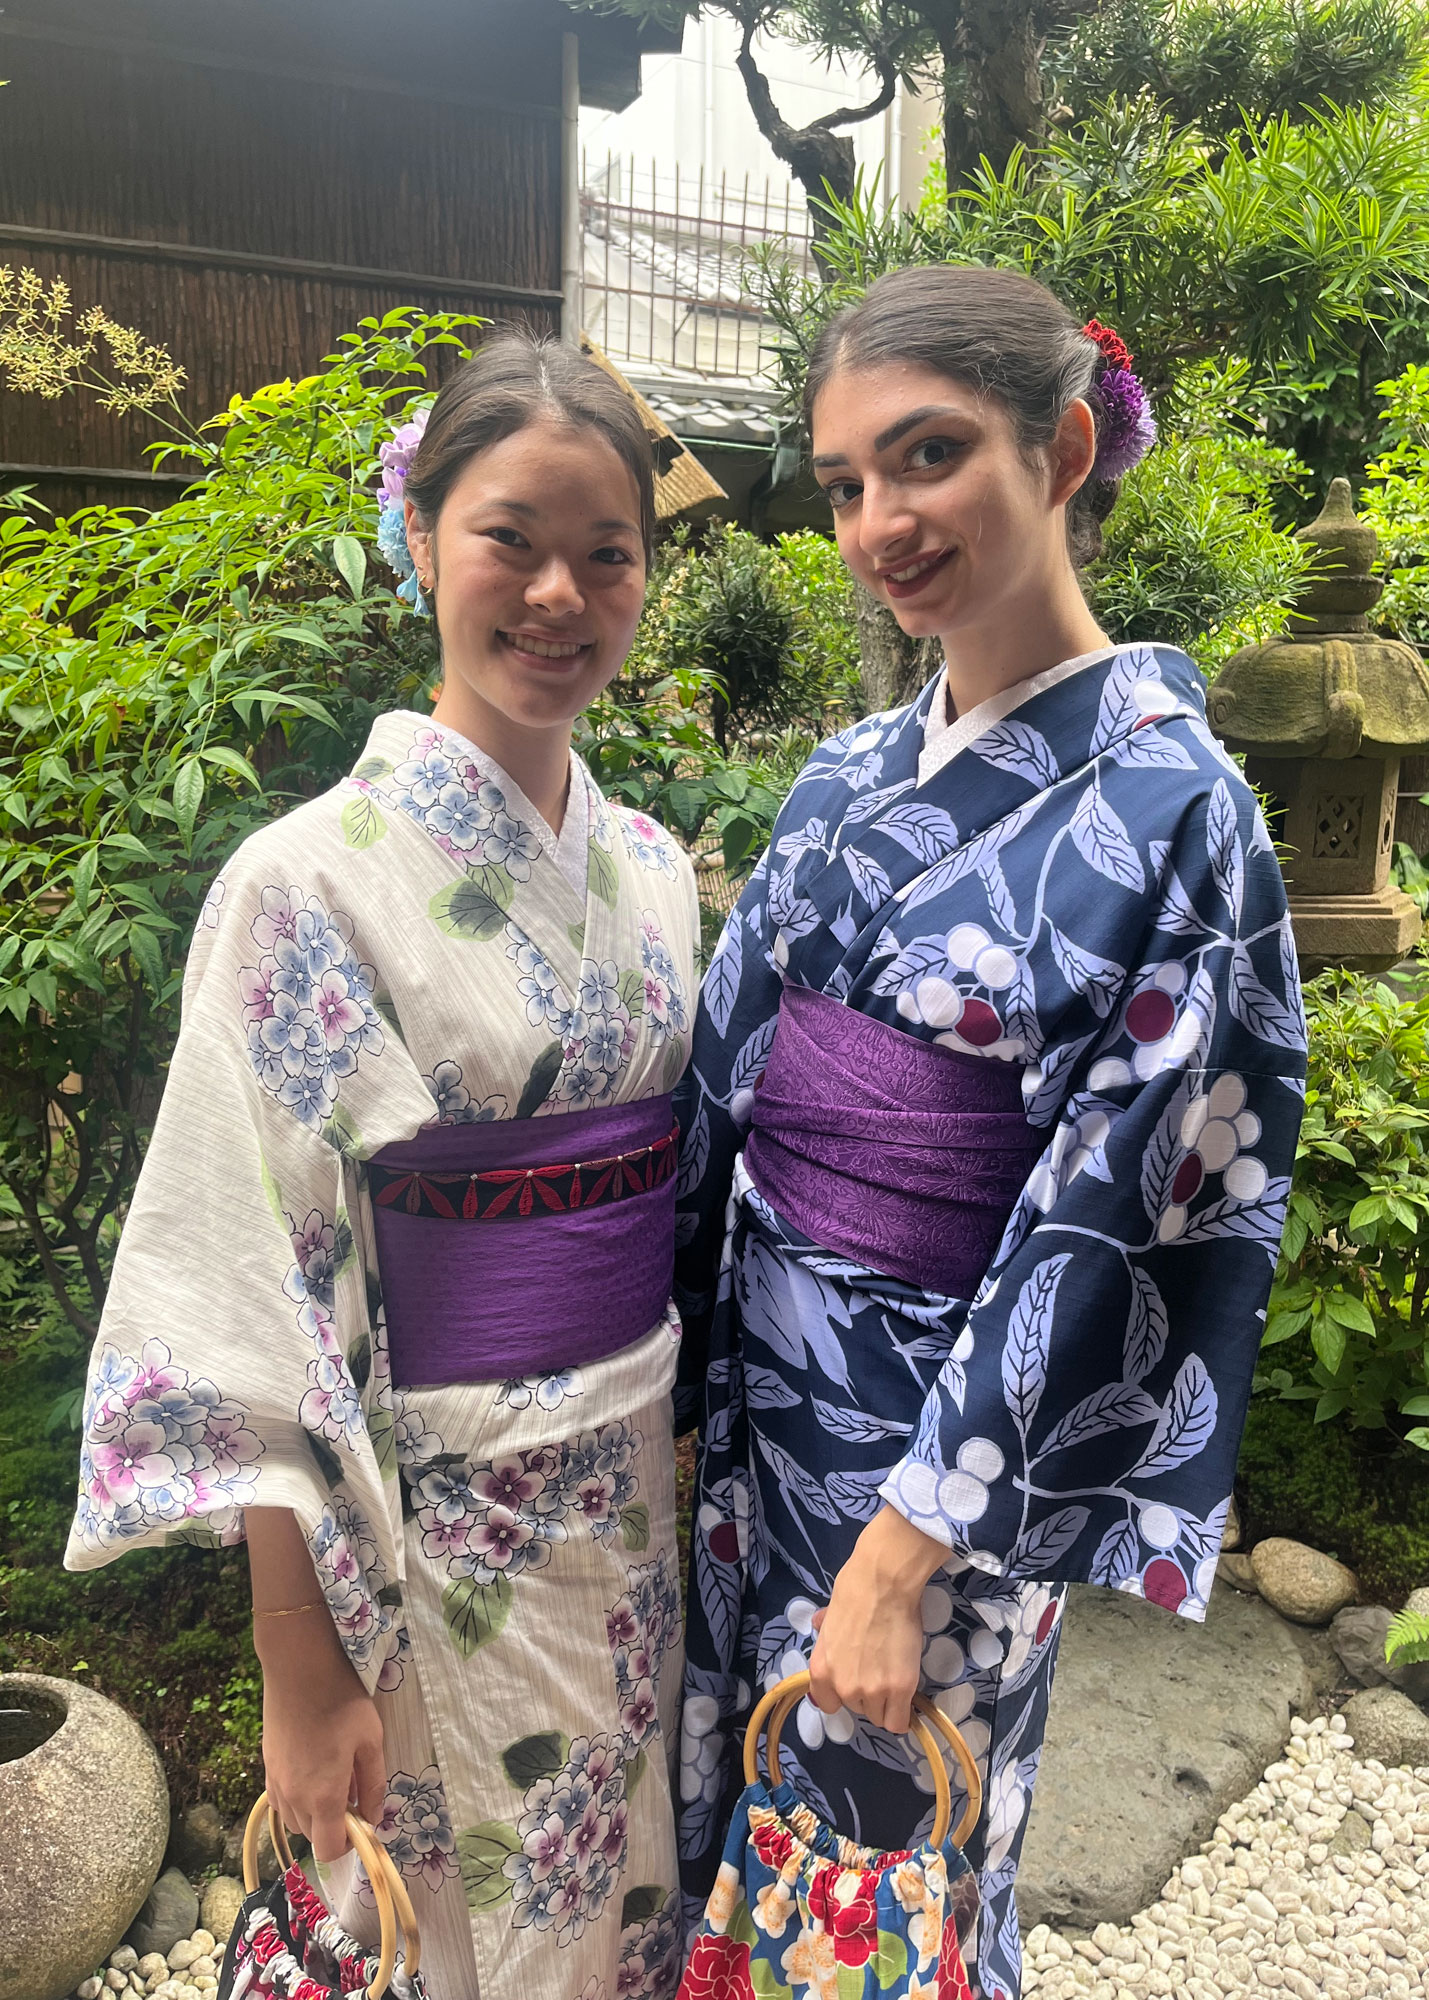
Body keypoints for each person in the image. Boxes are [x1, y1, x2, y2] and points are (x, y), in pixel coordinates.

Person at [672, 266, 1306, 2000]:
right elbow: (721, 1092)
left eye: (927, 456)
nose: (880, 519)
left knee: (880, 1886)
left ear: (1064, 447)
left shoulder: (1182, 811)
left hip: (939, 1482)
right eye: (848, 479)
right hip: (746, 1425)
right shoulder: (841, 780)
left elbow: (1127, 1212)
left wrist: (904, 1553)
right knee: (723, 1858)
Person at [65, 335, 700, 2000]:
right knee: (435, 1939)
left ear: (648, 571)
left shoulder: (648, 870)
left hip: (631, 1517)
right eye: (511, 538)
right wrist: (295, 1663)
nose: (559, 592)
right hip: (425, 1549)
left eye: (607, 552)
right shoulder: (305, 889)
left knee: (621, 1909)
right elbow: (253, 1285)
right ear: (420, 539)